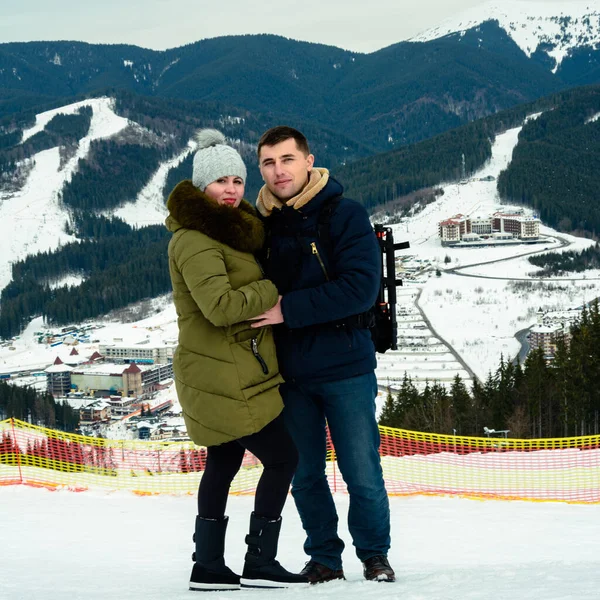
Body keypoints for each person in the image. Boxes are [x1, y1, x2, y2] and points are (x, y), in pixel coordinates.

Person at [250, 126, 395, 583]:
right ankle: (325, 558)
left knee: (361, 471)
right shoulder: (262, 226)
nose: (279, 171)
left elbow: (359, 289)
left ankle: (374, 556)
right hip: (289, 374)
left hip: (346, 366)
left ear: (309, 161)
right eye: (269, 163)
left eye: (287, 159)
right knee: (305, 474)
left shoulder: (344, 215)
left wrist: (286, 310)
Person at [165, 129, 308, 591]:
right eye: (220, 181)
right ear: (201, 186)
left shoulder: (226, 234)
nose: (230, 189)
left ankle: (208, 566)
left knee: (223, 462)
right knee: (284, 457)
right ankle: (258, 562)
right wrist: (273, 289)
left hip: (225, 368)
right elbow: (220, 307)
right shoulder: (194, 239)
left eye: (237, 180)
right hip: (222, 374)